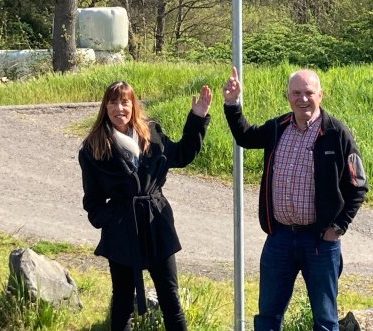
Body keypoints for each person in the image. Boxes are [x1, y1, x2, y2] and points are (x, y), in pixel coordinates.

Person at [223, 67, 368, 331]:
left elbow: (358, 186)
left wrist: (338, 228)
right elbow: (245, 136)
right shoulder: (278, 128)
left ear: (320, 95)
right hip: (279, 239)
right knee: (268, 317)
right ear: (288, 96)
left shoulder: (336, 133)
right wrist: (232, 104)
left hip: (320, 243)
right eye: (296, 93)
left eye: (309, 93)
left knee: (325, 320)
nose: (303, 99)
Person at [79, 80, 212, 331]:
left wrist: (197, 118)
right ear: (105, 107)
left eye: (125, 102)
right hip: (122, 228)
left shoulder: (151, 133)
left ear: (133, 105)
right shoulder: (93, 147)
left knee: (170, 298)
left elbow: (182, 155)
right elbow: (92, 200)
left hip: (156, 222)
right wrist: (111, 219)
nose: (120, 108)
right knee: (122, 302)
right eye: (113, 102)